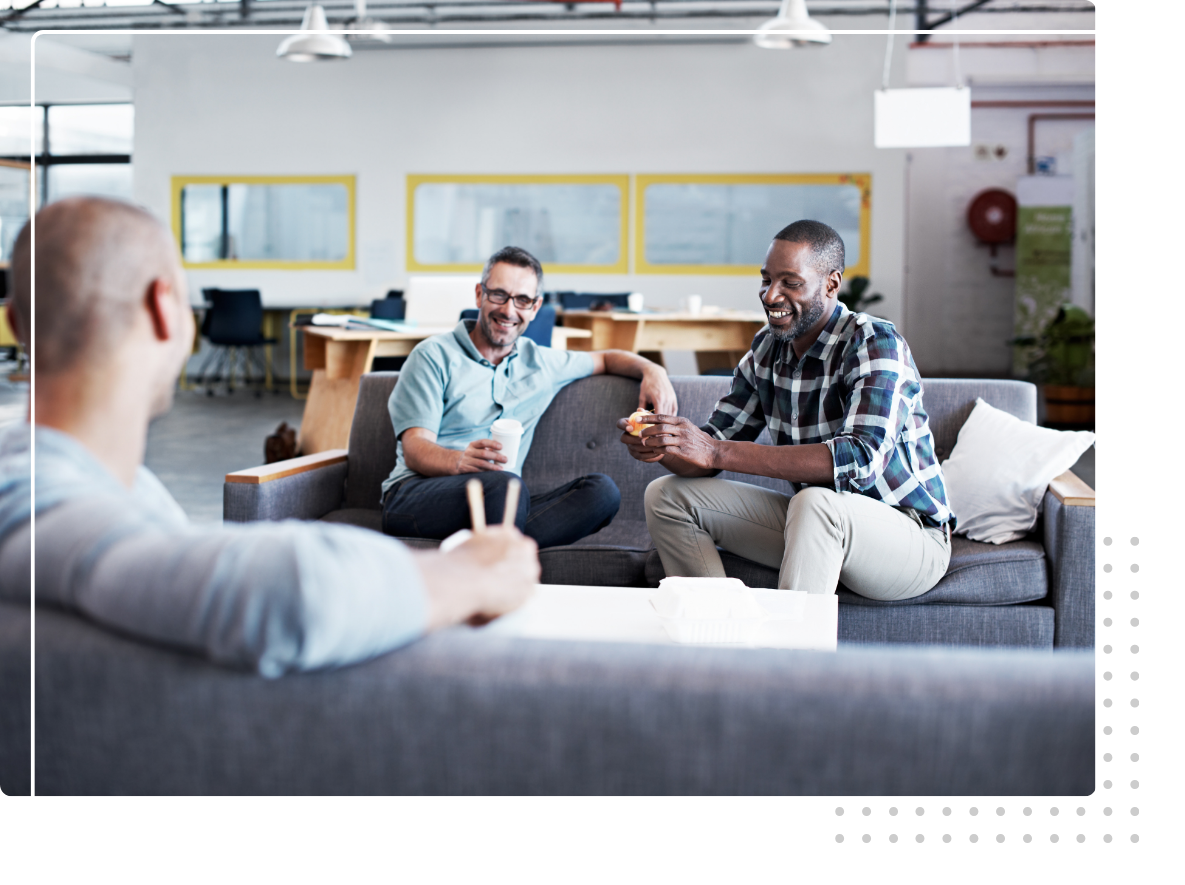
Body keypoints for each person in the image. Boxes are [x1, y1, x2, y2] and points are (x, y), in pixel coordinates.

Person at [0, 197, 540, 677]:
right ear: (165, 310)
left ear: (17, 323)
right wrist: (465, 575)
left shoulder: (101, 489)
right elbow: (284, 595)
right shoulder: (33, 502)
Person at [619, 220, 954, 601]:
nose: (770, 295)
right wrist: (665, 443)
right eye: (766, 280)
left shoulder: (873, 342)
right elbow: (711, 450)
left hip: (909, 539)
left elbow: (859, 458)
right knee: (667, 495)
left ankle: (788, 659)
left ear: (831, 283)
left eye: (790, 283)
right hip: (813, 524)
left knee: (815, 502)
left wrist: (714, 450)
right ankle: (715, 636)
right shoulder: (767, 349)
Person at [382, 245, 677, 547]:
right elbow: (415, 449)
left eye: (522, 300)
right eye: (499, 294)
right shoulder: (433, 355)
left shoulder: (542, 363)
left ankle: (486, 547)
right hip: (416, 494)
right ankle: (500, 562)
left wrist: (653, 370)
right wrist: (458, 461)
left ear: (535, 308)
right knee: (506, 486)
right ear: (479, 295)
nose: (509, 310)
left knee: (602, 492)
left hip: (501, 502)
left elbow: (606, 359)